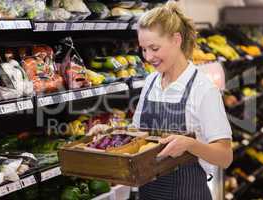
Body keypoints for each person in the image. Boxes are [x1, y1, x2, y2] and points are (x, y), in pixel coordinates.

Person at [89, 2, 233, 200]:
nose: (148, 57)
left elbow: (225, 157)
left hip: (188, 193)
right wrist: (109, 133)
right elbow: (139, 134)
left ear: (176, 40)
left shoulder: (203, 89)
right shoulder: (151, 81)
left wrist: (190, 144)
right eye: (144, 49)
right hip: (149, 193)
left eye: (154, 48)